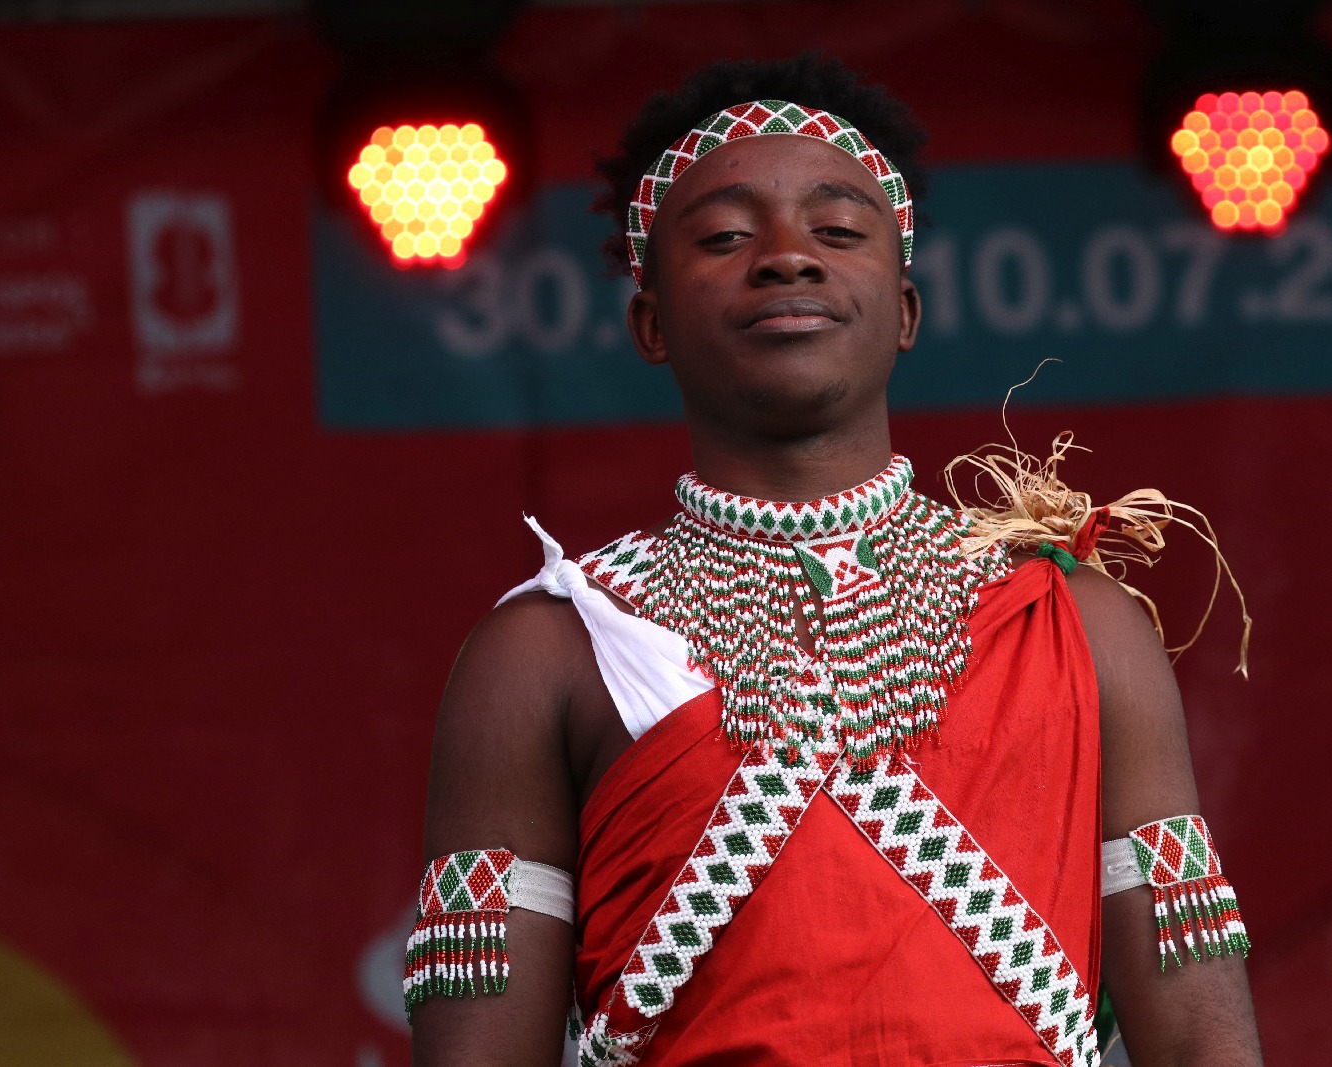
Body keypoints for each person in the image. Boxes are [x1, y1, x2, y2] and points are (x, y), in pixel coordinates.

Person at [406, 55, 1264, 1067]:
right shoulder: (548, 651)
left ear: (904, 311)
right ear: (649, 324)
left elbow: (1203, 1036)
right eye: (724, 236)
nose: (785, 258)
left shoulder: (1078, 621)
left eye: (839, 230)